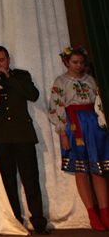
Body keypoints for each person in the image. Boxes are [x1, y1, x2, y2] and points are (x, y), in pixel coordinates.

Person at [0, 46, 49, 235]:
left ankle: (38, 222)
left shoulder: (21, 76)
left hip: (23, 135)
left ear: (8, 60)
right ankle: (15, 222)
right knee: (8, 182)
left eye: (1, 60)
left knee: (31, 180)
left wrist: (9, 78)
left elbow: (33, 95)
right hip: (1, 136)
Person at [49, 46, 109, 230]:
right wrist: (63, 133)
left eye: (81, 62)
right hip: (75, 126)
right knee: (82, 170)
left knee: (98, 170)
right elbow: (56, 107)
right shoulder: (61, 82)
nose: (79, 65)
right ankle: (92, 215)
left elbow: (99, 102)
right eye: (75, 62)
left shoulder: (90, 80)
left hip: (94, 124)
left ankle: (105, 213)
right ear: (66, 62)